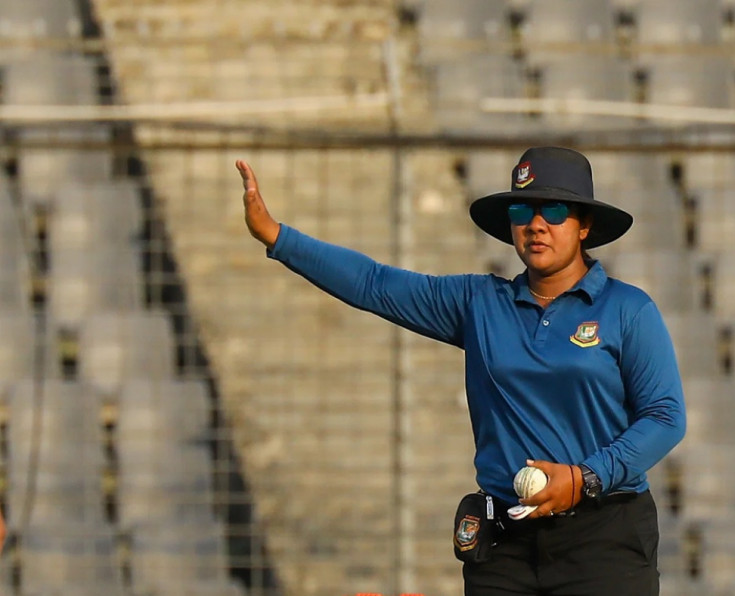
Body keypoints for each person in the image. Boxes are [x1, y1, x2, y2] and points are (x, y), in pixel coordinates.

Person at [237, 146, 686, 596]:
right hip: (506, 543)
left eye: (553, 210)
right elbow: (374, 284)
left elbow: (666, 417)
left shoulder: (627, 309)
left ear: (584, 225)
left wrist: (584, 478)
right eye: (521, 211)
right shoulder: (479, 303)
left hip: (604, 536)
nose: (536, 224)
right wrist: (276, 236)